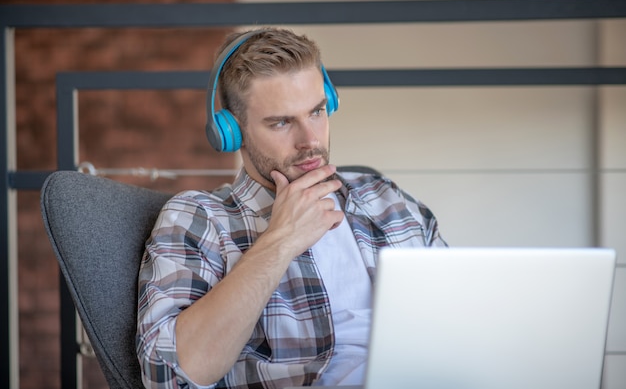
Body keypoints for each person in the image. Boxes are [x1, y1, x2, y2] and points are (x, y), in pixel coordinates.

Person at [136, 27, 447, 389]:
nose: (310, 140)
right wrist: (280, 241)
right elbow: (168, 375)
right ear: (232, 131)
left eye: (316, 112)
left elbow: (460, 325)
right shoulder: (199, 218)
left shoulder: (388, 201)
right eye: (281, 122)